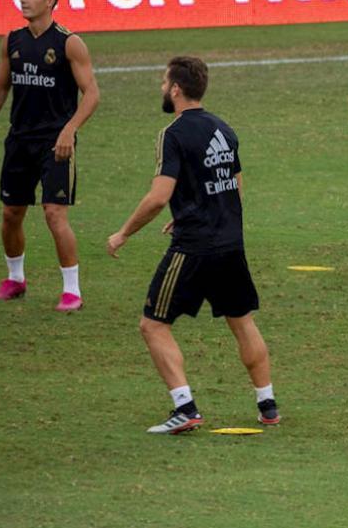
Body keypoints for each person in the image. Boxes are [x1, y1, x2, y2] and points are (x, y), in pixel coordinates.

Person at [107, 57, 279, 435]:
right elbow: (234, 186)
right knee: (242, 321)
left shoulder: (173, 134)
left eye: (163, 81)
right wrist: (195, 208)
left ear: (176, 89)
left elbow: (157, 197)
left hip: (194, 247)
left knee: (153, 325)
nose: (161, 87)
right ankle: (267, 405)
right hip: (230, 241)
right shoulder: (225, 128)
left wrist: (123, 233)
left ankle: (185, 407)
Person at [0, 0, 100, 312]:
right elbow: (1, 87)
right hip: (19, 142)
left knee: (55, 214)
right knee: (11, 213)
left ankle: (72, 290)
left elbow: (92, 94)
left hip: (56, 144)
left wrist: (69, 129)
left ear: (50, 1)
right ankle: (15, 279)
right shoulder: (12, 40)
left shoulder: (69, 43)